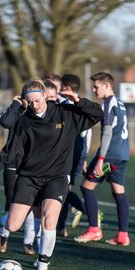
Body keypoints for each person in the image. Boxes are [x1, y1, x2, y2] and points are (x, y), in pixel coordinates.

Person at [0, 80, 103, 270]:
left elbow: (97, 114)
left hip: (57, 176)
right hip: (29, 177)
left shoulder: (66, 113)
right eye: (30, 102)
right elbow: (11, 149)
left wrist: (79, 101)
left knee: (49, 221)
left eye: (37, 100)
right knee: (13, 225)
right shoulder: (23, 122)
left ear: (45, 96)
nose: (35, 105)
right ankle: (2, 219)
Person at [74, 72, 130, 246]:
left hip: (109, 156)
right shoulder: (120, 103)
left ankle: (94, 230)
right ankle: (123, 235)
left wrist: (101, 159)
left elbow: (107, 132)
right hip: (122, 155)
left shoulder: (108, 104)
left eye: (96, 86)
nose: (93, 89)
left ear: (107, 85)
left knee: (86, 187)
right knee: (118, 191)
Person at [0, 85, 40, 255]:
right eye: (28, 99)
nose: (32, 103)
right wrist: (16, 105)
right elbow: (5, 122)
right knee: (11, 203)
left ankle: (28, 242)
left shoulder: (39, 113)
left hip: (32, 165)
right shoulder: (16, 112)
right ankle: (3, 234)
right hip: (13, 163)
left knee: (30, 204)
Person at [56, 74, 96, 237]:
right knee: (63, 190)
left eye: (60, 87)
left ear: (66, 87)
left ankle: (90, 212)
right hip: (70, 154)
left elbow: (87, 134)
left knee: (64, 190)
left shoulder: (76, 106)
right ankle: (61, 226)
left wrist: (83, 156)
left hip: (74, 154)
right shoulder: (62, 103)